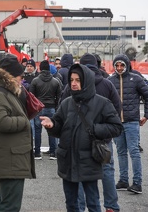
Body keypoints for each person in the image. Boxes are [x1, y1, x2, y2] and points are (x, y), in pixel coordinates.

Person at [41, 63, 123, 212]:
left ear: (86, 81)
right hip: (68, 161)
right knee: (71, 204)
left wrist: (94, 129)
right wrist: (52, 125)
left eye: (78, 80)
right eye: (71, 80)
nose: (73, 83)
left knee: (92, 203)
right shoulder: (66, 103)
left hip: (89, 161)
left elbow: (117, 127)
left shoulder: (102, 103)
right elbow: (59, 124)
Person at [61, 53, 122, 212]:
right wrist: (102, 131)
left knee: (79, 175)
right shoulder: (107, 84)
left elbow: (62, 111)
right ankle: (111, 206)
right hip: (102, 140)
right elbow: (116, 109)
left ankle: (80, 207)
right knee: (107, 170)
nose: (75, 82)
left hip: (79, 140)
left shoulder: (70, 86)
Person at [0, 55, 35, 212]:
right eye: (20, 75)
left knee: (5, 203)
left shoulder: (3, 92)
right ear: (10, 76)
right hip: (10, 158)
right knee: (10, 206)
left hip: (10, 157)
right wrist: (24, 120)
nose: (22, 79)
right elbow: (1, 122)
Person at [108, 54, 148, 194]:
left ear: (127, 65)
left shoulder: (136, 79)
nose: (120, 68)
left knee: (134, 151)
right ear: (114, 66)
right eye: (117, 65)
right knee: (120, 152)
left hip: (132, 121)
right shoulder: (110, 81)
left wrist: (147, 115)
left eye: (122, 65)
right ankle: (123, 180)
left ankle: (137, 183)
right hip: (117, 123)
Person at [30, 60, 61, 160]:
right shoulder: (55, 81)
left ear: (40, 68)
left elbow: (31, 96)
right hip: (51, 107)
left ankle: (37, 153)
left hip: (39, 108)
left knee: (37, 131)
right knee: (52, 130)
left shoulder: (35, 81)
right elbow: (59, 97)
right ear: (49, 68)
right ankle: (53, 152)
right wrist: (55, 107)